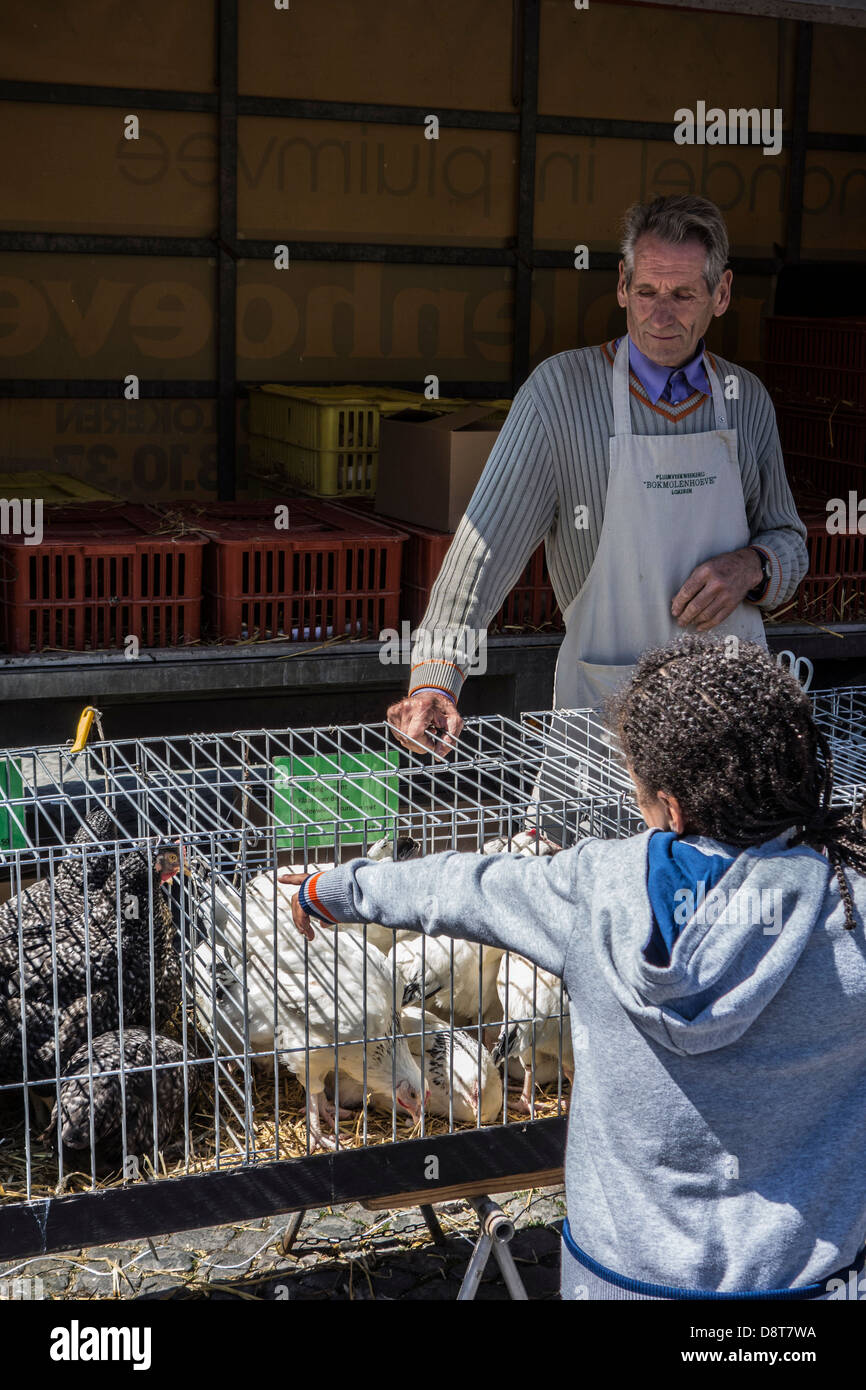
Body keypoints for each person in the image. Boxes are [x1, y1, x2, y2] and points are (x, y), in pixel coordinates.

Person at [281, 636, 866, 1300]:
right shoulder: (851, 907)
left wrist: (330, 890)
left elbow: (453, 885)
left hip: (620, 1280)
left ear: (669, 808)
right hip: (807, 1289)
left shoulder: (594, 888)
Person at [386, 194, 808, 759]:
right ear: (621, 285)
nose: (660, 315)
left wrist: (752, 567)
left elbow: (788, 540)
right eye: (646, 292)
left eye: (683, 295)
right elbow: (484, 547)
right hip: (610, 721)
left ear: (722, 293)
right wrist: (436, 676)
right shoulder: (560, 393)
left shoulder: (746, 400)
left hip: (728, 720)